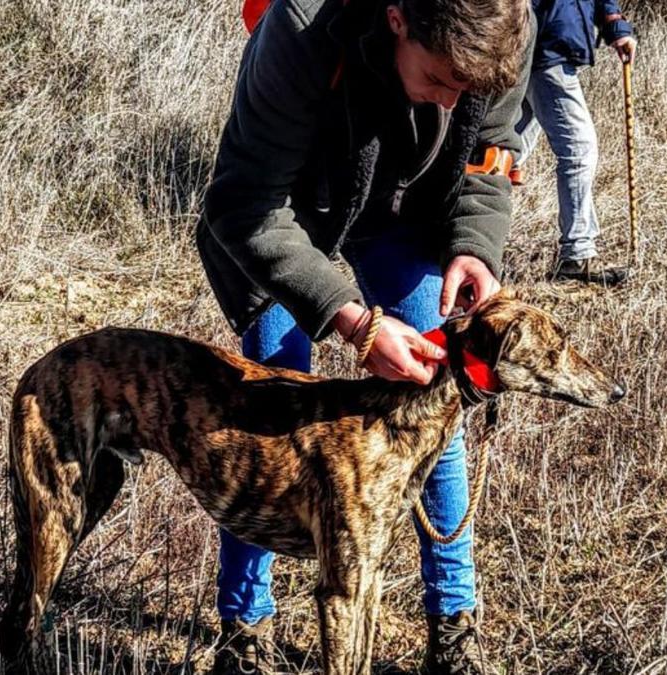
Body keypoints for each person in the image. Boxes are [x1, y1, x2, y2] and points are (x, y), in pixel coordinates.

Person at [196, 0, 534, 671]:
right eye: (441, 82)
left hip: (399, 212)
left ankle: (454, 626)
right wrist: (353, 319)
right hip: (283, 218)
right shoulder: (300, 29)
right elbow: (244, 205)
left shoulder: (506, 25)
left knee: (435, 391)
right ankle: (245, 626)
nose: (453, 102)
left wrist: (475, 245)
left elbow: (492, 155)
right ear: (398, 17)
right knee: (270, 401)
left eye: (468, 89)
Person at [517, 0, 637, 285]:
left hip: (548, 45)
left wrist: (614, 24)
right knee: (579, 151)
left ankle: (449, 233)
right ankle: (576, 256)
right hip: (544, 45)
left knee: (505, 150)